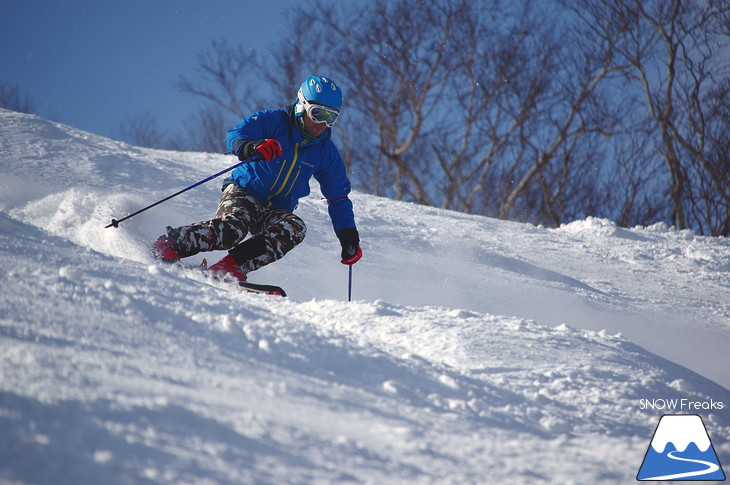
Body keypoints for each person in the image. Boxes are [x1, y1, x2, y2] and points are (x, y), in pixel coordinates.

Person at [151, 75, 362, 282]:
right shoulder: (273, 121)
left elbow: (338, 197)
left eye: (330, 117)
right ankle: (170, 244)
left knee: (293, 227)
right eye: (317, 114)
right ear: (302, 105)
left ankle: (231, 267)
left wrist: (348, 236)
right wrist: (251, 146)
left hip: (275, 209)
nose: (322, 124)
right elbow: (236, 134)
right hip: (245, 192)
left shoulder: (325, 151)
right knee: (232, 230)